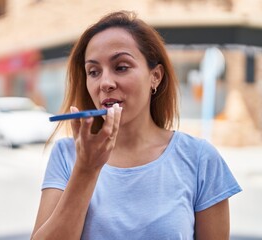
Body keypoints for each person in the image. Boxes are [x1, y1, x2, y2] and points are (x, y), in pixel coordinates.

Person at [31, 10, 242, 240]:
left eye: (121, 67)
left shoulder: (200, 159)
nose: (105, 83)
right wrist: (85, 170)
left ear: (156, 77)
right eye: (93, 71)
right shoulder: (66, 155)